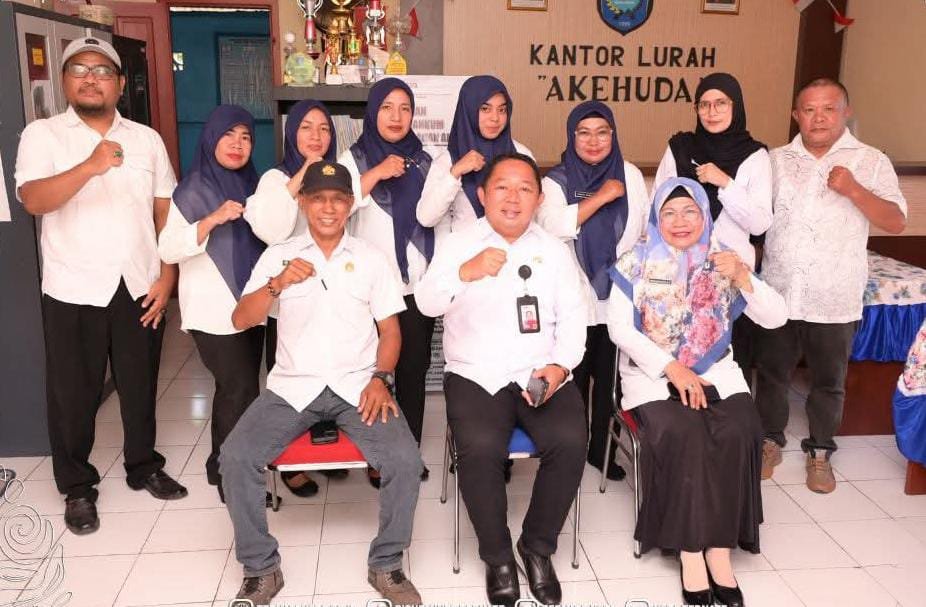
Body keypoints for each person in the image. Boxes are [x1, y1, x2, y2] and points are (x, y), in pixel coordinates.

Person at [220, 161, 424, 605]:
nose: (328, 208)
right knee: (235, 457)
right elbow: (241, 319)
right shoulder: (279, 256)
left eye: (337, 199)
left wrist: (381, 378)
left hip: (359, 385)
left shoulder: (371, 258)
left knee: (405, 461)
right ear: (302, 202)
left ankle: (387, 564)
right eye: (318, 199)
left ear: (350, 205)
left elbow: (391, 332)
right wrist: (276, 284)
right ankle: (261, 569)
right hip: (292, 386)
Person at [14, 37, 187, 535]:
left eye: (103, 71)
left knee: (140, 384)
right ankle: (77, 486)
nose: (91, 78)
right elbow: (34, 200)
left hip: (138, 283)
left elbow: (165, 212)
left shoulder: (146, 140)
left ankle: (143, 465)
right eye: (80, 70)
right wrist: (90, 165)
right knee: (73, 394)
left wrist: (168, 276)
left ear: (119, 83)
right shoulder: (43, 135)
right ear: (65, 81)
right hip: (73, 288)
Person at [416, 153, 588, 607]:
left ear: (539, 198)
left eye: (525, 188)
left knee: (571, 441)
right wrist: (464, 272)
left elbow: (574, 319)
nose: (513, 198)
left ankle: (537, 547)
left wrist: (560, 367)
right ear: (482, 194)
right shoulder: (458, 243)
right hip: (476, 372)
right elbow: (427, 303)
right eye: (502, 187)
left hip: (540, 370)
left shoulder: (554, 250)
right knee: (480, 448)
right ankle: (498, 557)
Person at [607, 177, 787, 607]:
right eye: (669, 212)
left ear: (705, 215)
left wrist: (744, 276)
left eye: (690, 210)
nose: (680, 221)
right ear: (656, 219)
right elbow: (619, 329)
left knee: (740, 429)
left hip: (716, 373)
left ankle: (719, 550)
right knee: (685, 432)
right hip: (653, 376)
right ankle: (690, 552)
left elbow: (776, 317)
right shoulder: (634, 262)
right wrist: (672, 368)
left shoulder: (725, 260)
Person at [755, 78, 907, 493]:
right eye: (809, 110)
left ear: (846, 112)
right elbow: (754, 217)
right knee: (771, 374)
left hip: (834, 294)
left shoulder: (871, 160)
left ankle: (820, 452)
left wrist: (854, 189)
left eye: (828, 109)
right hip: (779, 291)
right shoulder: (774, 160)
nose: (818, 118)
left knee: (828, 381)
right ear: (796, 115)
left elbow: (896, 221)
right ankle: (769, 441)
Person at [158, 105, 268, 504]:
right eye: (228, 135)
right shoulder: (191, 190)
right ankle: (232, 476)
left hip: (251, 305)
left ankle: (218, 461)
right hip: (212, 310)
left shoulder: (254, 184)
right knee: (239, 387)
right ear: (211, 138)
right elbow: (168, 248)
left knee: (237, 388)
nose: (237, 144)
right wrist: (211, 219)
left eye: (246, 137)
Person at [537, 100, 649, 482]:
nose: (593, 141)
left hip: (618, 297)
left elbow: (644, 230)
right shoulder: (556, 181)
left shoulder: (630, 175)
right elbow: (551, 227)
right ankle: (570, 450)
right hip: (574, 300)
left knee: (610, 382)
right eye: (583, 133)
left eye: (602, 132)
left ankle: (602, 451)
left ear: (613, 135)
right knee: (572, 381)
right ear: (571, 137)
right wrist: (601, 197)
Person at [339, 78, 437, 486]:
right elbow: (337, 207)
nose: (396, 117)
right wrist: (378, 173)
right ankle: (376, 453)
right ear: (372, 112)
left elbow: (436, 216)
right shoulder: (353, 158)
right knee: (372, 372)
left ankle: (407, 452)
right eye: (387, 108)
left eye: (405, 108)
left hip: (414, 286)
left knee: (413, 371)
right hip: (367, 291)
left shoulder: (425, 160)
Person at [244, 99, 342, 497]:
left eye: (323, 128)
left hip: (333, 295)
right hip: (288, 297)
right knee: (290, 381)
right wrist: (305, 173)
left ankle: (327, 450)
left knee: (333, 369)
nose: (316, 136)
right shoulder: (275, 177)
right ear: (291, 133)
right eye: (306, 128)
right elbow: (270, 228)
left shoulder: (339, 174)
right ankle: (291, 464)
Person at [655, 72, 772, 380]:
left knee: (731, 369)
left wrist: (725, 184)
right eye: (704, 105)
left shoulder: (755, 155)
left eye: (721, 103)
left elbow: (760, 222)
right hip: (681, 277)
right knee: (681, 366)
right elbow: (657, 209)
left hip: (732, 277)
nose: (712, 111)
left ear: (736, 106)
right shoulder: (680, 148)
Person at [418, 75, 534, 239]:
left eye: (502, 110)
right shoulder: (450, 159)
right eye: (485, 109)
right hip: (467, 251)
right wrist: (455, 172)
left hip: (515, 249)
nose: (495, 118)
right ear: (469, 110)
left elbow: (534, 214)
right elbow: (426, 218)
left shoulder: (521, 155)